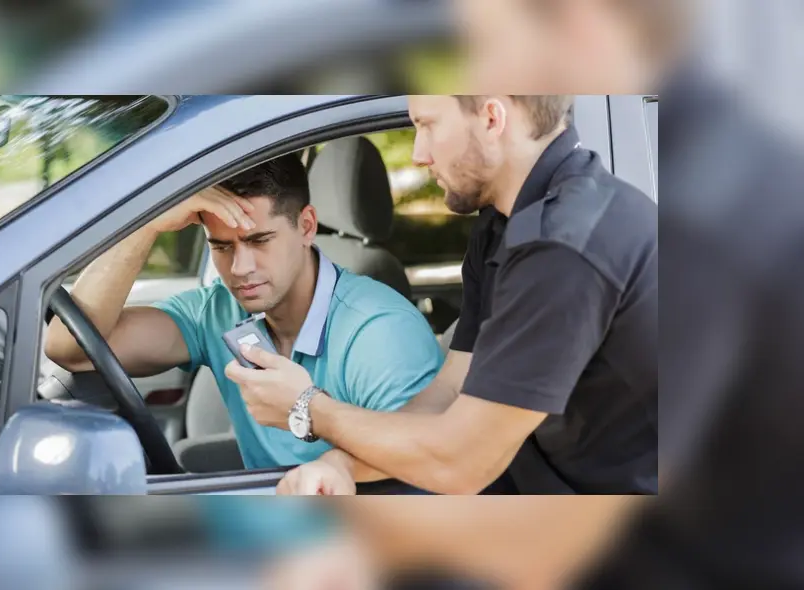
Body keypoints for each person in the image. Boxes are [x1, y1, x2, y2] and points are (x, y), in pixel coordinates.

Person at [228, 95, 657, 494]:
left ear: (492, 117)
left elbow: (462, 461)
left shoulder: (564, 247)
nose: (418, 154)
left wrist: (308, 407)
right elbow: (447, 392)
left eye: (428, 125)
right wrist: (342, 465)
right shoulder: (502, 227)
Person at [45, 154, 442, 469]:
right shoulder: (216, 310)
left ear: (306, 227)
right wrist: (145, 225)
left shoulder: (379, 330)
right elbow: (71, 349)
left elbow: (425, 467)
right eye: (221, 246)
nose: (239, 269)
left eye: (259, 240)